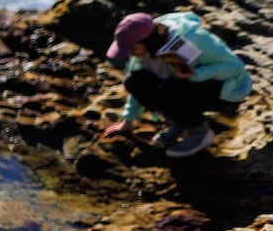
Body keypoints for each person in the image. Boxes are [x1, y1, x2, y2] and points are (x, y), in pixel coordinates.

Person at [102, 10, 252, 158]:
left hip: (229, 89)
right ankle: (182, 120)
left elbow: (234, 67)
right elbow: (138, 88)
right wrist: (128, 121)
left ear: (148, 41)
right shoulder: (145, 46)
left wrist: (196, 75)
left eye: (133, 49)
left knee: (172, 87)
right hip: (187, 87)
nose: (131, 54)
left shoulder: (194, 38)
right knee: (134, 81)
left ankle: (200, 132)